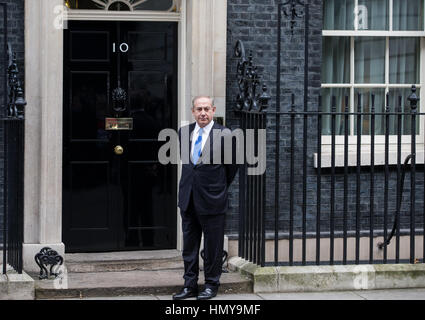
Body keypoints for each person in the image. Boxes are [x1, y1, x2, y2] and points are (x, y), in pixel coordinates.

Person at [173, 96, 238, 300]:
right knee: (189, 246)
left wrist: (216, 186)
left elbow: (232, 169)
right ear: (193, 111)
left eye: (206, 109)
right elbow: (189, 166)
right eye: (199, 109)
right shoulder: (184, 133)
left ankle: (211, 284)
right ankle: (189, 284)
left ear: (213, 110)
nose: (203, 113)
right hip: (188, 198)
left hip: (213, 198)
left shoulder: (225, 135)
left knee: (213, 245)